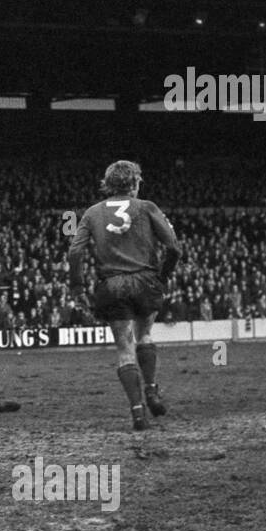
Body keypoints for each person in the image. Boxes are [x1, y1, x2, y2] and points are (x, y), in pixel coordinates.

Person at [67, 160, 181, 431]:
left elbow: (74, 252)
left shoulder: (92, 213)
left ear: (108, 184)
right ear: (134, 183)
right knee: (145, 335)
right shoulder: (147, 207)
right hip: (145, 280)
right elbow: (174, 249)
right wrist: (161, 277)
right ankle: (152, 390)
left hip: (113, 285)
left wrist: (77, 288)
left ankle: (138, 412)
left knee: (124, 348)